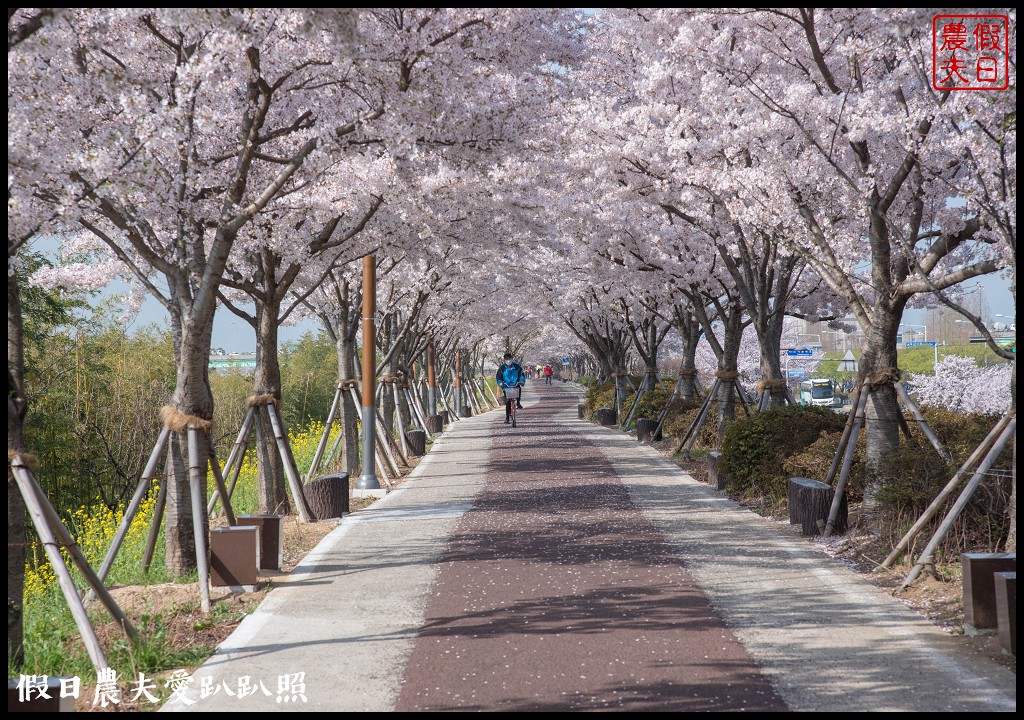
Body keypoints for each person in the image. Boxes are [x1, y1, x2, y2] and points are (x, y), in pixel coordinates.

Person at [495, 352, 525, 423]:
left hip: (515, 384)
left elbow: (522, 375)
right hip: (506, 386)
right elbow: (498, 377)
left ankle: (518, 403)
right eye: (507, 359)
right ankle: (507, 418)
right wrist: (500, 383)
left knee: (518, 389)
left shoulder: (517, 367)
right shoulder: (502, 369)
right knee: (508, 401)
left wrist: (521, 381)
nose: (508, 360)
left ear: (512, 359)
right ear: (504, 360)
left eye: (509, 359)